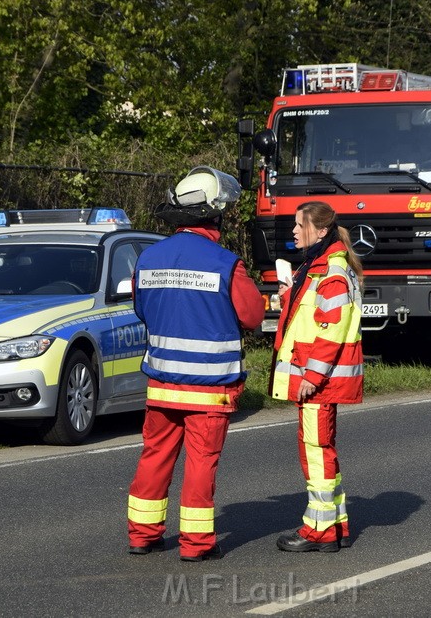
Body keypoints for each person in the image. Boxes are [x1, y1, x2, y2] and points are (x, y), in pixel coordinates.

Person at [127, 166, 264, 562]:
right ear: (215, 213)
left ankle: (142, 535)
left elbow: (141, 308)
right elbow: (253, 315)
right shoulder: (226, 263)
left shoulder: (149, 258)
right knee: (201, 462)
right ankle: (196, 544)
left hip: (161, 383)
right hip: (209, 387)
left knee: (155, 455)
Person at [269, 201, 364, 552]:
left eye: (299, 224)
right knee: (319, 448)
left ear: (320, 230)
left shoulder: (331, 271)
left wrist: (313, 374)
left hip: (318, 381)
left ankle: (319, 531)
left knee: (316, 450)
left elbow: (332, 329)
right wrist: (288, 297)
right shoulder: (318, 266)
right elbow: (316, 316)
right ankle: (334, 525)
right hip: (318, 379)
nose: (293, 230)